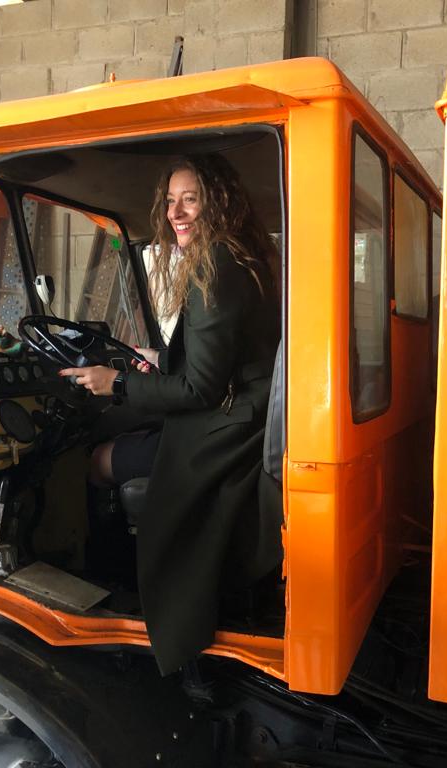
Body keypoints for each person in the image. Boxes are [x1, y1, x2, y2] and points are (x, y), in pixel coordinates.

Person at [58, 154, 282, 674]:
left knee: (98, 461)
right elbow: (221, 358)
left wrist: (115, 383)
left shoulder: (214, 269)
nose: (177, 212)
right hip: (242, 412)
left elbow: (200, 389)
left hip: (225, 432)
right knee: (128, 427)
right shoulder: (239, 257)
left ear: (216, 204)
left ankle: (120, 592)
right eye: (171, 200)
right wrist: (156, 361)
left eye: (191, 199)